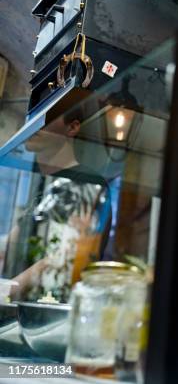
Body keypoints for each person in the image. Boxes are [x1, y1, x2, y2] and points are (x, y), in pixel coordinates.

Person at [4, 107, 111, 302]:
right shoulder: (43, 189)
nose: (35, 121)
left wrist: (5, 293)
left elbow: (62, 258)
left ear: (73, 127)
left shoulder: (86, 183)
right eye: (33, 114)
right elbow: (10, 246)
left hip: (48, 318)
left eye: (48, 113)